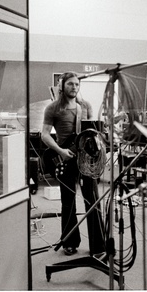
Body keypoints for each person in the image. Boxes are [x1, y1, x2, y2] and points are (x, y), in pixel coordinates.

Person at [41, 71, 106, 258]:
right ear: (62, 85)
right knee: (68, 203)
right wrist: (61, 152)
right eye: (70, 84)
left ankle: (98, 245)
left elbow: (92, 133)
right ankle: (69, 242)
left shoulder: (85, 107)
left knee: (92, 200)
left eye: (77, 84)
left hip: (85, 159)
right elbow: (45, 134)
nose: (74, 87)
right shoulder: (53, 108)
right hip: (65, 159)